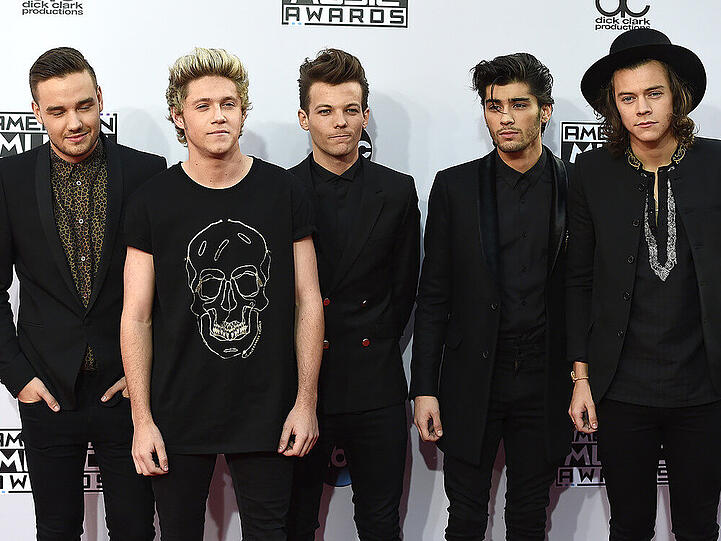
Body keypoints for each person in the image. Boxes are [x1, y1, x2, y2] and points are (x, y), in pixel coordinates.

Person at [121, 47, 323, 541]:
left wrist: (305, 402)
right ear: (179, 116)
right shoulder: (151, 200)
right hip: (177, 409)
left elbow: (308, 302)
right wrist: (142, 420)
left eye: (229, 104)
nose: (218, 116)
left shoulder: (284, 192)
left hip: (269, 409)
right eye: (203, 105)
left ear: (243, 112)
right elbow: (136, 316)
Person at [0, 47, 164, 540]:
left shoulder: (147, 172)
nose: (74, 122)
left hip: (127, 389)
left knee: (135, 529)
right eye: (57, 111)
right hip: (46, 391)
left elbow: (169, 289)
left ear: (100, 99)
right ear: (36, 112)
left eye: (84, 106)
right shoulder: (9, 179)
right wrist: (18, 377)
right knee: (55, 529)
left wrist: (146, 372)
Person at [568, 28, 721, 540]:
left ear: (677, 95)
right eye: (627, 98)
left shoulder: (717, 164)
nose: (642, 109)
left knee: (698, 526)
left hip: (704, 387)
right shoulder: (592, 172)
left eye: (654, 93)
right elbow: (579, 281)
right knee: (629, 525)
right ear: (614, 107)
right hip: (621, 388)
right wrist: (581, 378)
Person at [411, 52, 571, 540]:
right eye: (494, 105)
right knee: (464, 518)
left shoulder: (575, 186)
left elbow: (587, 290)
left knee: (529, 517)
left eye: (519, 104)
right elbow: (433, 294)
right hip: (471, 377)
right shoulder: (455, 186)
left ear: (544, 111)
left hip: (545, 378)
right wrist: (424, 387)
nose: (505, 117)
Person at [287, 48, 420, 541]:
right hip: (300, 386)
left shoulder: (398, 190)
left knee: (381, 523)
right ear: (304, 118)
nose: (339, 122)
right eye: (325, 111)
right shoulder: (279, 190)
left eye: (349, 110)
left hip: (374, 384)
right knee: (294, 522)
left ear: (365, 115)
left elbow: (404, 291)